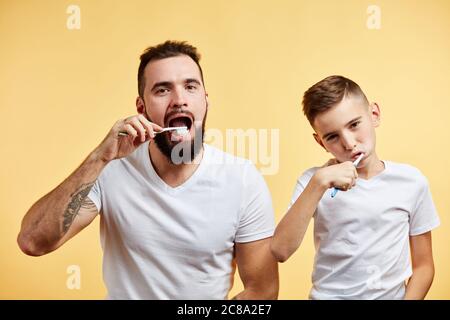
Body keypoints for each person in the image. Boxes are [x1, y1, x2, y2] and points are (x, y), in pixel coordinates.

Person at [18, 40, 278, 300]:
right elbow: (32, 242)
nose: (179, 101)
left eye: (190, 87)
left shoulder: (242, 180)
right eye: (163, 90)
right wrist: (100, 157)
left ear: (205, 101)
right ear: (141, 108)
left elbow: (262, 291)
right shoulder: (110, 168)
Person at [271, 75, 440, 300]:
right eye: (332, 137)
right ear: (320, 142)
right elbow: (280, 250)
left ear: (374, 115)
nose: (349, 143)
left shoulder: (411, 182)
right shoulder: (313, 181)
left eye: (354, 124)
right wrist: (318, 184)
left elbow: (424, 266)